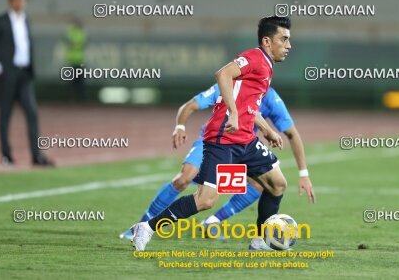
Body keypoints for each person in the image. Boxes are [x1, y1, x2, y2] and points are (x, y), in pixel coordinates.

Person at [131, 16, 293, 251]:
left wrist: (267, 129)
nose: (288, 46)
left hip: (245, 139)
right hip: (223, 140)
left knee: (277, 184)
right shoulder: (256, 57)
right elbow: (222, 74)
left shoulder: (267, 67)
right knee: (205, 200)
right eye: (284, 40)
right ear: (267, 41)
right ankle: (146, 227)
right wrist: (234, 114)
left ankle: (261, 240)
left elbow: (250, 105)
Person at [119, 84, 315, 240]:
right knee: (183, 179)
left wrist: (303, 173)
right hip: (212, 143)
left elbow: (292, 133)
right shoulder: (227, 87)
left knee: (263, 184)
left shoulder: (270, 97)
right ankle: (142, 225)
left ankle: (214, 221)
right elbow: (190, 106)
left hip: (242, 148)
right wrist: (180, 126)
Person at [0, 0, 53, 167]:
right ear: (10, 1)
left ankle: (36, 156)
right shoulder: (0, 21)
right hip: (8, 73)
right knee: (5, 115)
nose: (20, 2)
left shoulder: (26, 20)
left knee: (32, 113)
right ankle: (7, 155)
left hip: (24, 74)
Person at [63, 17, 87, 102]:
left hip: (79, 60)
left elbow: (77, 43)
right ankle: (71, 99)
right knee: (71, 81)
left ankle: (81, 99)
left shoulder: (81, 33)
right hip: (72, 61)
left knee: (80, 81)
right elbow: (68, 40)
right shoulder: (72, 32)